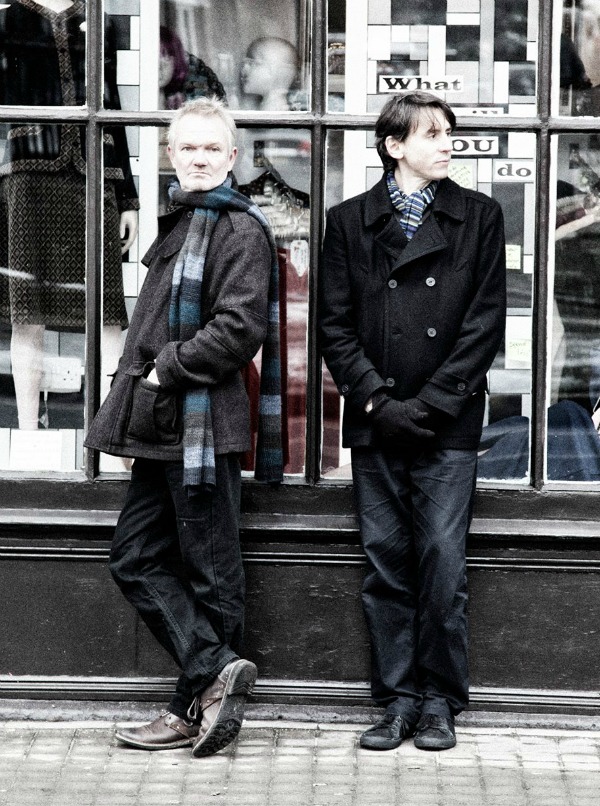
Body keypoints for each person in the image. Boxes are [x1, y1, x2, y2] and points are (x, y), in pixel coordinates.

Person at [84, 97, 283, 757]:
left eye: (211, 148)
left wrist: (165, 371)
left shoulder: (239, 229)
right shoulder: (182, 221)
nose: (199, 158)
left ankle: (190, 707)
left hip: (201, 427)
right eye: (188, 148)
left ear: (232, 157)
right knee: (134, 557)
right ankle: (211, 673)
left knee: (211, 573)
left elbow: (238, 329)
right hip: (161, 427)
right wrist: (135, 407)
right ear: (171, 155)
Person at [319, 92, 506, 751]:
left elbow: (485, 323)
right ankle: (396, 701)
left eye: (448, 132)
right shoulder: (348, 223)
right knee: (387, 565)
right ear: (394, 146)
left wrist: (428, 405)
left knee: (442, 566)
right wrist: (378, 400)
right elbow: (334, 326)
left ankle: (438, 702)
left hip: (446, 424)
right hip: (377, 421)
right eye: (431, 134)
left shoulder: (479, 217)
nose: (447, 143)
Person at [0, 0, 138, 429]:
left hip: (95, 175)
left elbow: (111, 106)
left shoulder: (96, 21)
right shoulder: (8, 21)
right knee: (27, 314)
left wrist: (128, 197)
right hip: (27, 175)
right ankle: (27, 432)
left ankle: (107, 430)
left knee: (107, 313)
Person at [240, 37, 300, 111]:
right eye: (246, 63)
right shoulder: (265, 109)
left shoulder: (276, 113)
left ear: (278, 72)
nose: (244, 68)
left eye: (254, 63)